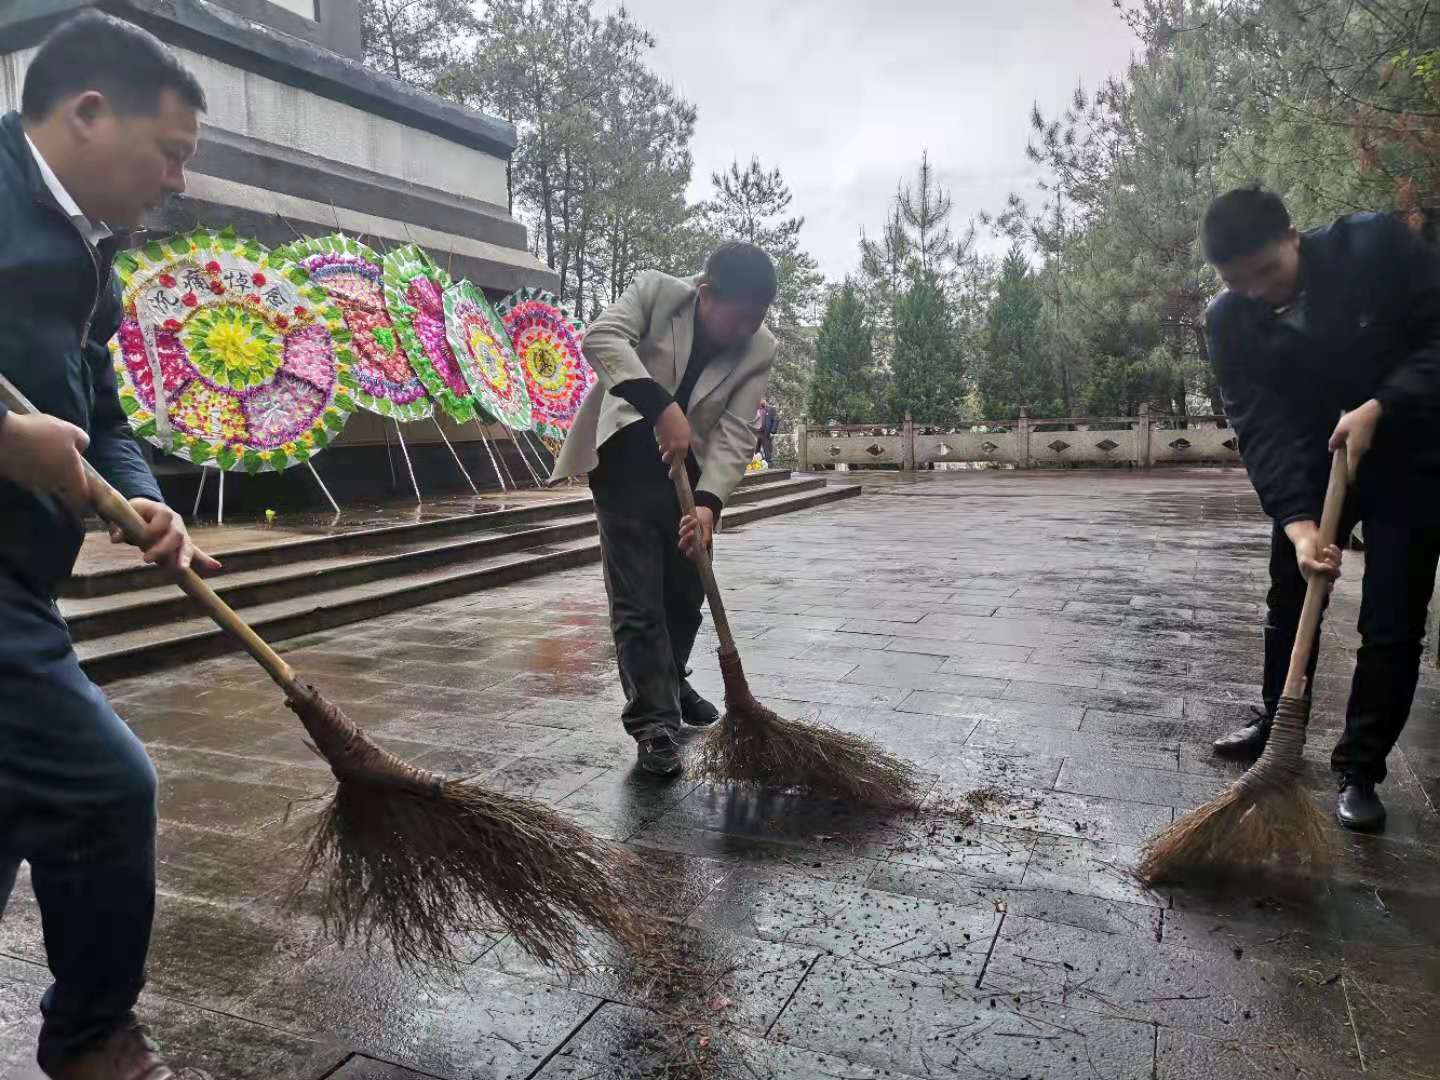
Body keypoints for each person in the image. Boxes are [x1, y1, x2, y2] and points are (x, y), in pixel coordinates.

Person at [0, 12, 216, 1079]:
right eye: (169, 152)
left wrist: (142, 503)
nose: (175, 180)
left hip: (25, 575)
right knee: (105, 786)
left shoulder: (95, 257)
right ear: (88, 112)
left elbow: (109, 416)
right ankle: (91, 1039)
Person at [1201, 186, 1440, 832]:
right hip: (1313, 460)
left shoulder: (1377, 248)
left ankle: (1361, 768)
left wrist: (1382, 405)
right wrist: (1301, 527)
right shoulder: (1230, 320)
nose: (1256, 291)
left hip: (1412, 453)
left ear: (1294, 236)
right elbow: (1258, 422)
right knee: (1291, 594)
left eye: (1267, 271)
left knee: (1393, 617)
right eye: (1236, 280)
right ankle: (1276, 721)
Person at [553, 243, 777, 777]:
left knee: (686, 592)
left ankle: (671, 680)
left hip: (692, 474)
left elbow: (738, 431)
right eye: (740, 316)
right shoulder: (656, 292)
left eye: (758, 317)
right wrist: (662, 406)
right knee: (639, 600)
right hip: (625, 459)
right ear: (706, 294)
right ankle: (653, 722)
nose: (747, 329)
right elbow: (602, 339)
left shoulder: (759, 347)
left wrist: (708, 505)